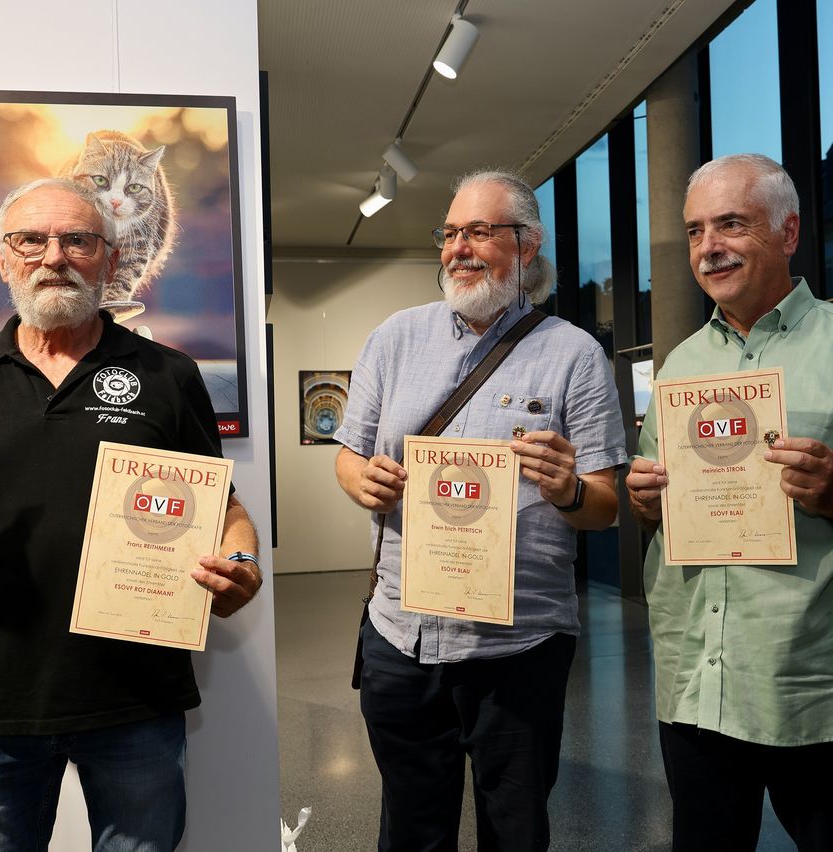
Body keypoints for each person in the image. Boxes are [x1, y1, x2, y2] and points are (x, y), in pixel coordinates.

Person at [334, 170, 627, 851]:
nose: (459, 248)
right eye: (450, 233)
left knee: (516, 829)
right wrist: (362, 481)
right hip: (402, 633)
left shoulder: (575, 357)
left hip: (518, 645)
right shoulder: (394, 338)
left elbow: (606, 506)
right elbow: (348, 455)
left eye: (480, 232)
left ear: (527, 245)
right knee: (411, 827)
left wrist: (569, 490)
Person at [0, 178, 261, 851]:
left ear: (109, 260)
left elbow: (222, 505)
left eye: (78, 239)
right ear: (3, 259)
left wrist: (242, 563)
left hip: (136, 700)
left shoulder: (169, 374)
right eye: (32, 240)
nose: (55, 256)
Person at [626, 154, 833, 851]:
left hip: (811, 688)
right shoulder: (680, 367)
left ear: (789, 232)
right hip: (697, 685)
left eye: (731, 224)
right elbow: (662, 508)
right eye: (694, 231)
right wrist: (647, 500)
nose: (708, 246)